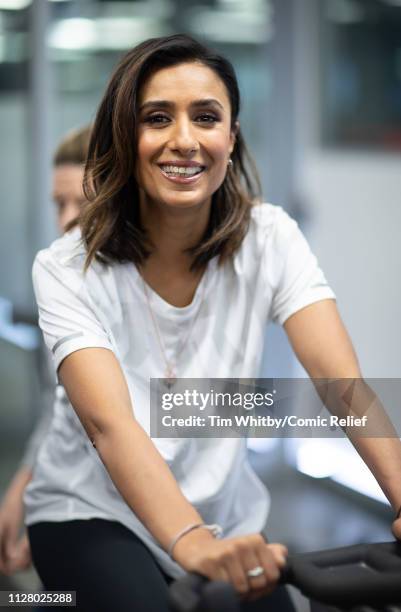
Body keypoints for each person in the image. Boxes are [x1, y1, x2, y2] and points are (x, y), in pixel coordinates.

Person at [24, 34, 401, 612]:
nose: (184, 140)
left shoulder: (270, 239)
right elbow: (110, 427)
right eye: (156, 118)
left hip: (223, 518)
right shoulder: (67, 267)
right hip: (91, 511)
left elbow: (340, 384)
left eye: (206, 117)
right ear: (126, 138)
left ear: (231, 135)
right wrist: (192, 544)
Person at [0, 125, 91, 577]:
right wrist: (24, 482)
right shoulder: (58, 286)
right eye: (59, 204)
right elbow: (59, 409)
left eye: (82, 203)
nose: (65, 221)